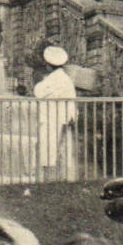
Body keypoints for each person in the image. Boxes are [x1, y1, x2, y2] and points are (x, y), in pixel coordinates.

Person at [35, 45, 78, 180]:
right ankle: (64, 180)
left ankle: (50, 181)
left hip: (52, 119)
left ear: (48, 65)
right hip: (65, 117)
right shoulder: (66, 79)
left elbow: (38, 92)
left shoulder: (51, 80)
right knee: (63, 152)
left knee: (49, 152)